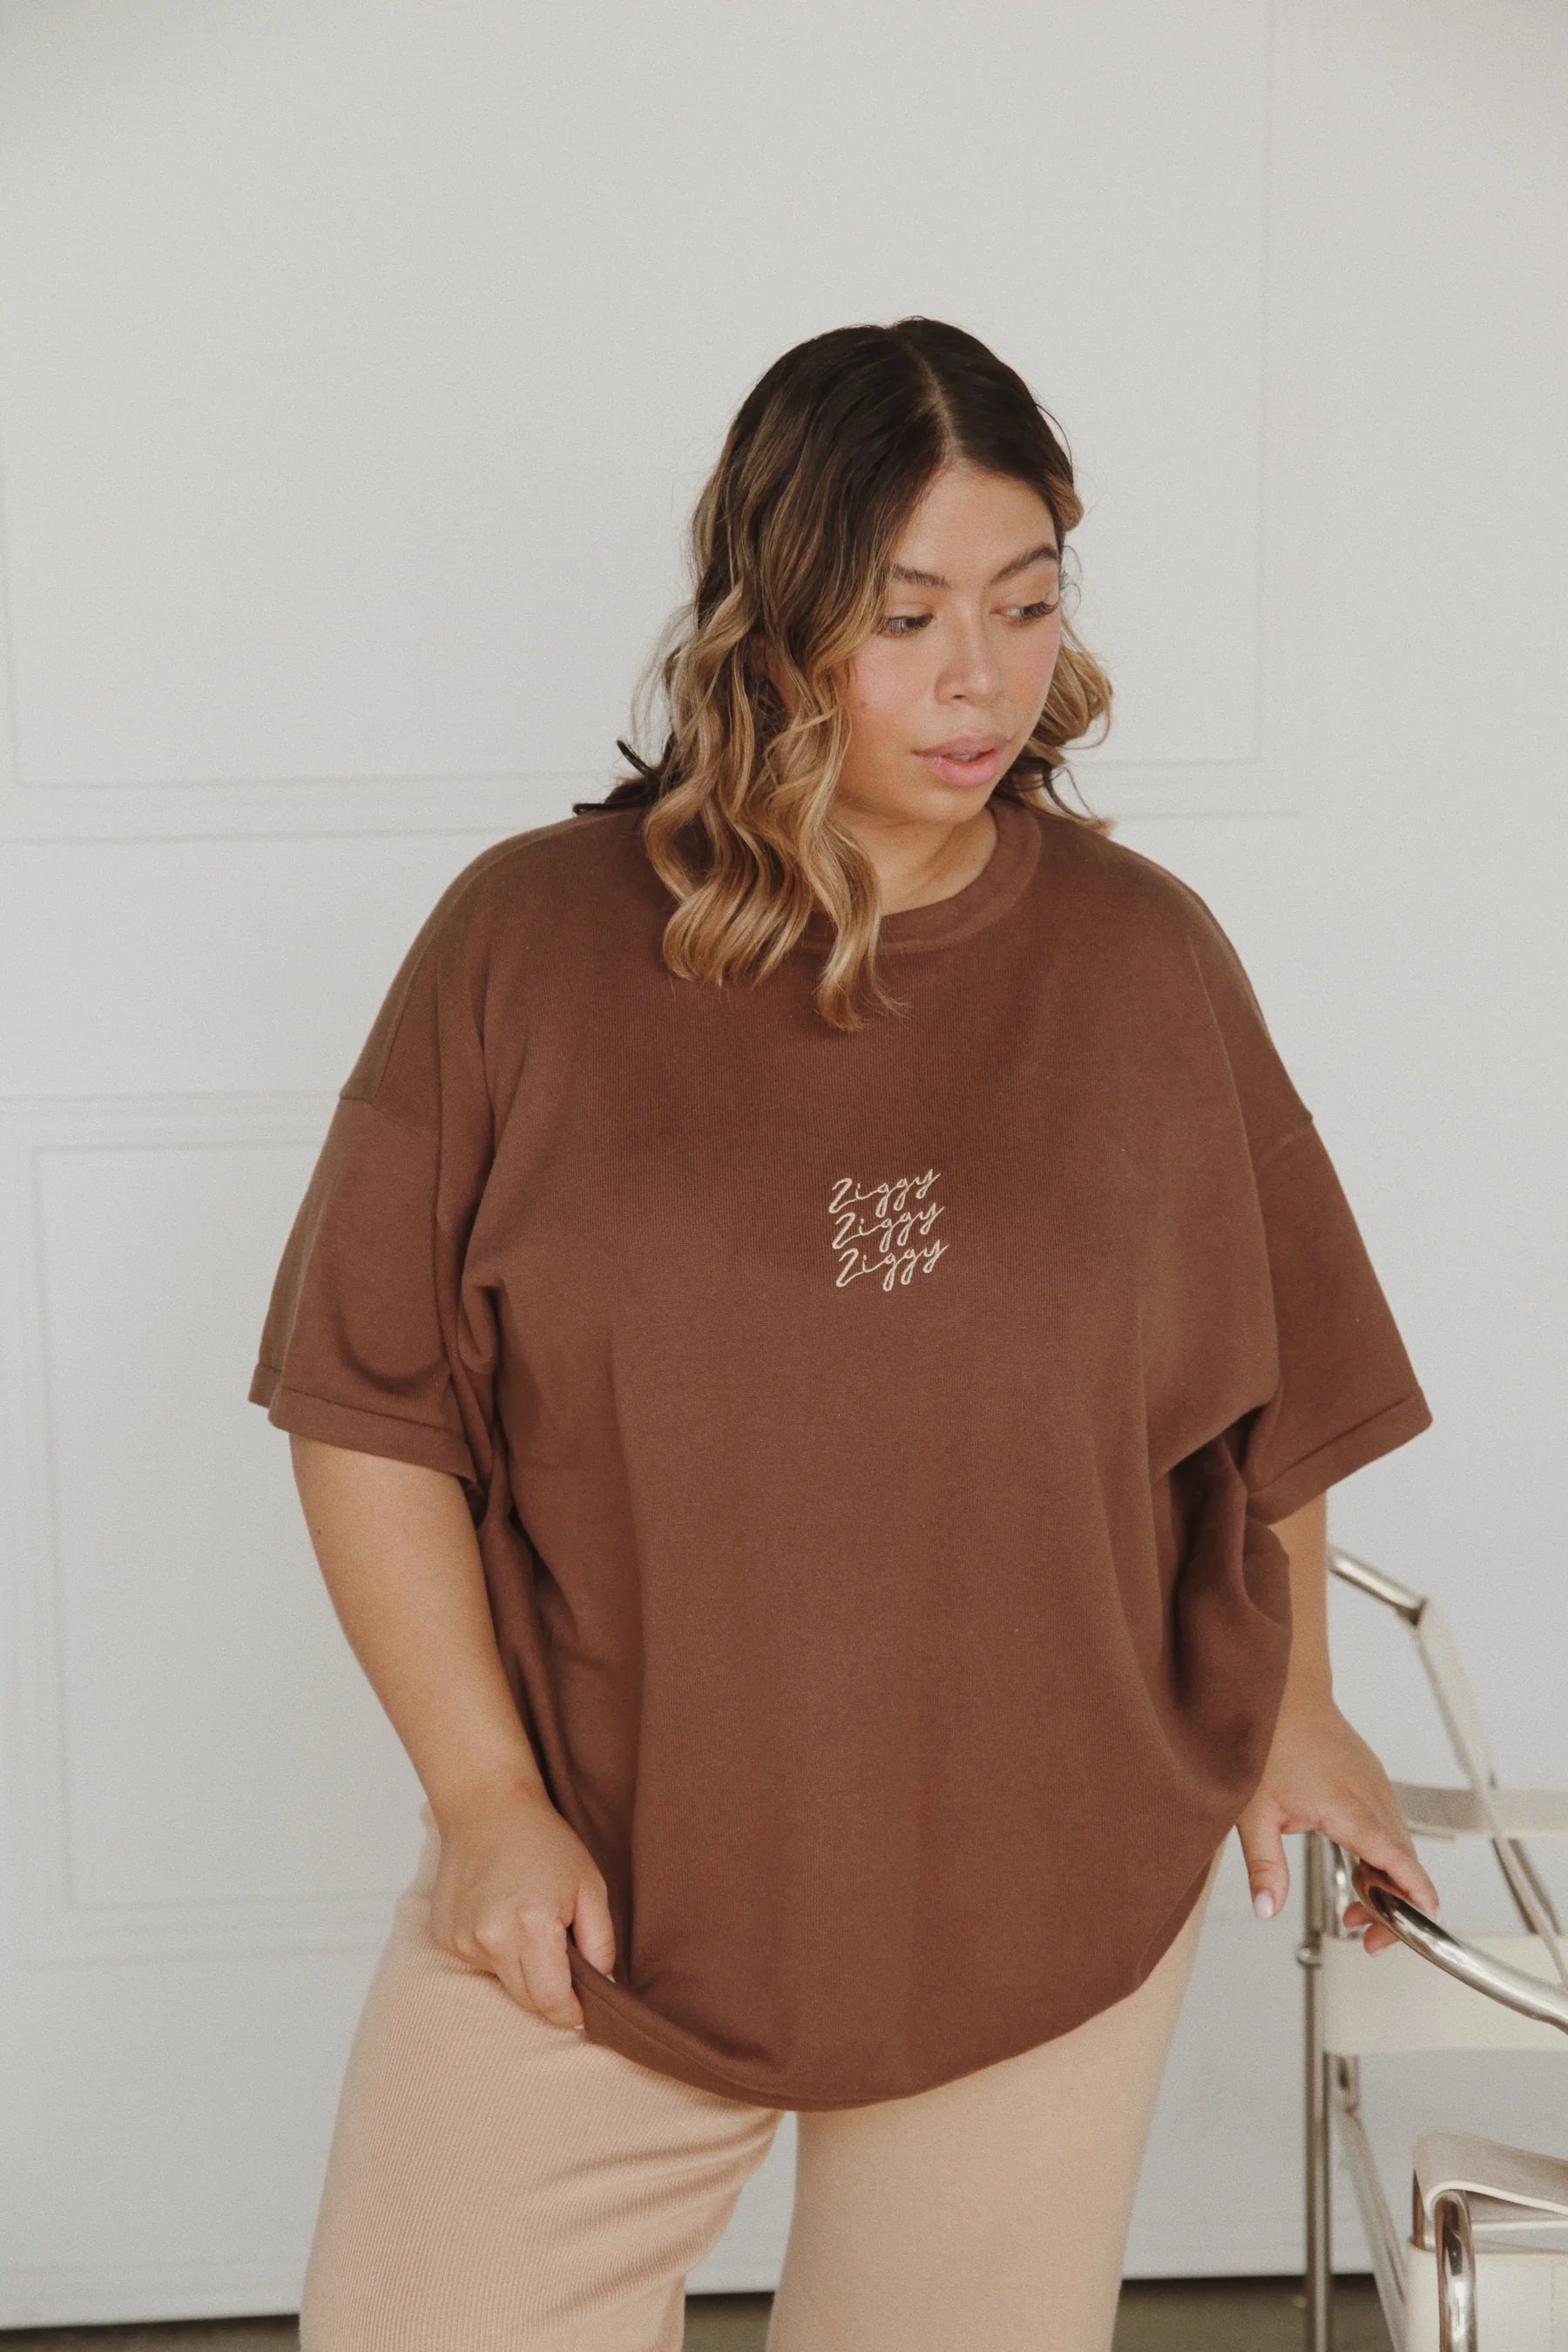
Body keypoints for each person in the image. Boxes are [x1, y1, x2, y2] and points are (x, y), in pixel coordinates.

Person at [248, 317, 1440, 2351]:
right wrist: (481, 1799)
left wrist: (1301, 1702)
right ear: (774, 620)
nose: (983, 678)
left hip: (1040, 1873)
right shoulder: (526, 945)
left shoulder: (1140, 963)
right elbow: (370, 1408)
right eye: (906, 618)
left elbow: (1259, 1401)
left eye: (1028, 605)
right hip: (608, 1875)